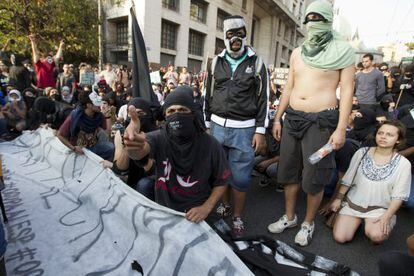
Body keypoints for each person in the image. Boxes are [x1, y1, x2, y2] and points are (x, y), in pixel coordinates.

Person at [268, 0, 355, 246]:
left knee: (314, 175)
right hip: (292, 118)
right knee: (288, 171)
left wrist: (341, 129)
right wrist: (277, 118)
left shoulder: (343, 51)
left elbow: (347, 91)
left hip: (321, 122)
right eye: (310, 19)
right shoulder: (298, 52)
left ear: (328, 20)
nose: (313, 23)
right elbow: (288, 88)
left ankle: (308, 222)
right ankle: (290, 216)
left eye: (319, 18)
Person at [123, 86, 230, 224]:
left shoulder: (211, 144)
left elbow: (222, 180)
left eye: (182, 110)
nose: (177, 114)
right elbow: (141, 151)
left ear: (192, 113)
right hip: (168, 213)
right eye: (171, 111)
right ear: (165, 116)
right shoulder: (159, 137)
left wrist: (206, 208)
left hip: (200, 214)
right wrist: (132, 145)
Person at [204, 15, 269, 237]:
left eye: (240, 33)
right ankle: (224, 204)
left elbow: (264, 99)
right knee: (221, 172)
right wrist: (206, 123)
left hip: (245, 129)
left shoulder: (257, 62)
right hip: (217, 127)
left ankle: (238, 216)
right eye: (230, 34)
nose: (235, 38)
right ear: (224, 36)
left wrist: (260, 130)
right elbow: (207, 94)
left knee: (240, 177)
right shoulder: (215, 62)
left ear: (245, 34)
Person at [330, 121, 411, 244]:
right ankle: (355, 223)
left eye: (389, 135)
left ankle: (375, 224)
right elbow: (347, 179)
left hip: (379, 209)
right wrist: (338, 199)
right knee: (340, 238)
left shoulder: (403, 164)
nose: (383, 136)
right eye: (381, 133)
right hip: (354, 203)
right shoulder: (361, 153)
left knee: (377, 236)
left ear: (398, 140)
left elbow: (399, 196)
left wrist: (387, 216)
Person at [57, 90, 114, 161]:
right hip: (79, 150)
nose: (100, 105)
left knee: (110, 147)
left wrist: (108, 116)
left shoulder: (99, 116)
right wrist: (73, 148)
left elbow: (107, 133)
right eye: (97, 102)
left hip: (93, 147)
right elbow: (59, 135)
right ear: (88, 105)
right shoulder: (75, 116)